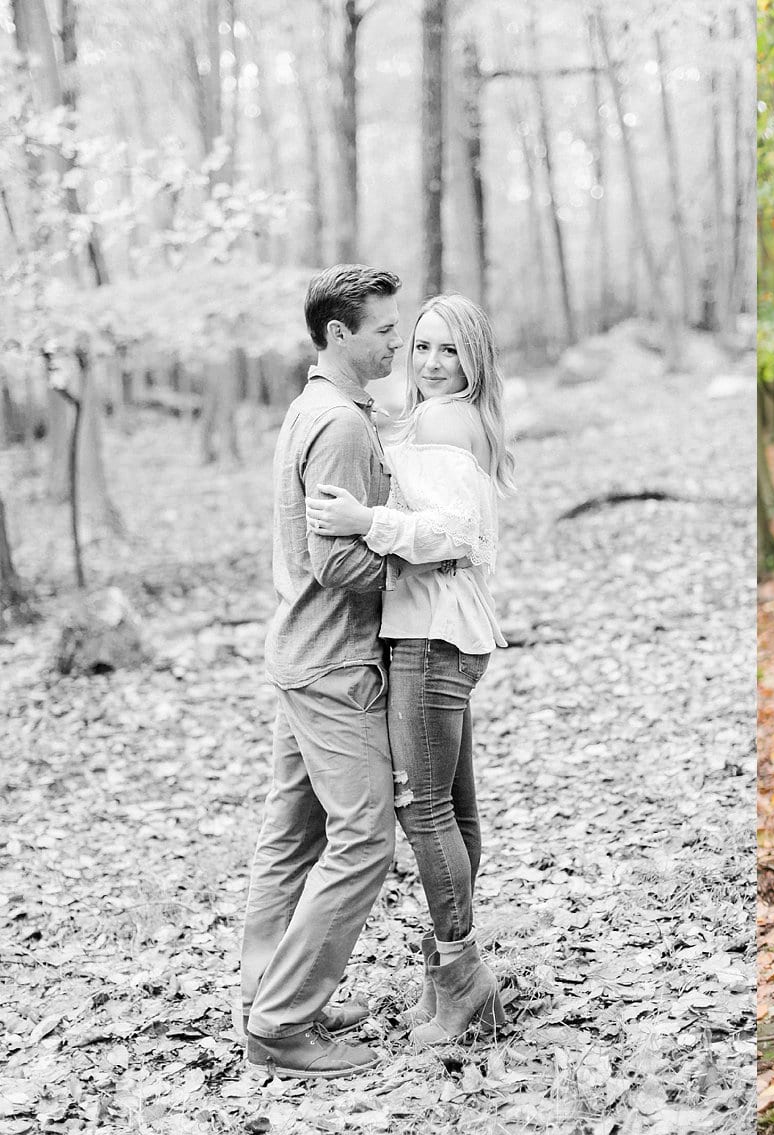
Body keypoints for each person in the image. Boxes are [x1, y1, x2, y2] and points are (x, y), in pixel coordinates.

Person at [305, 293, 514, 1044]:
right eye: (420, 346)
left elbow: (457, 532)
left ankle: (460, 973)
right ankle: (457, 975)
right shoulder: (454, 417)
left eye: (446, 351)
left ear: (471, 359)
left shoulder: (441, 419)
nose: (428, 362)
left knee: (422, 807)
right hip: (453, 630)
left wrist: (368, 522)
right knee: (453, 806)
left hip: (429, 633)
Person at [241, 264, 406, 1079]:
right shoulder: (338, 422)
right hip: (334, 660)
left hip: (301, 652)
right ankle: (280, 1022)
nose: (396, 340)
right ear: (338, 334)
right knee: (365, 835)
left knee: (292, 838)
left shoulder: (316, 408)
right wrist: (424, 561)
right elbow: (338, 563)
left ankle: (267, 992)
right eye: (382, 329)